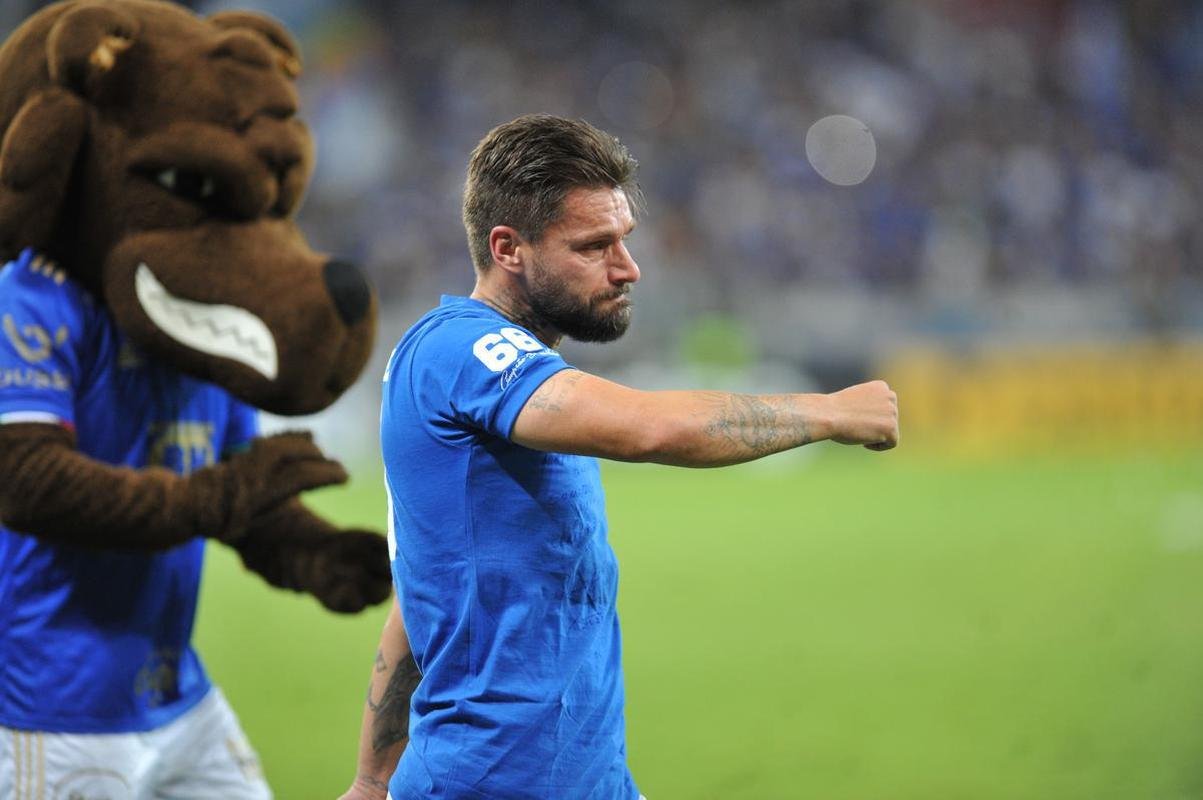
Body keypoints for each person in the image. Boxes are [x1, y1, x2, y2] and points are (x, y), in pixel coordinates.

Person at [343, 114, 899, 800]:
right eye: (593, 246)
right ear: (508, 248)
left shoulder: (523, 384)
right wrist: (829, 411)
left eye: (623, 241)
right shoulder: (458, 350)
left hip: (588, 780)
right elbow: (650, 430)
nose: (627, 268)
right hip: (489, 784)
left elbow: (420, 590)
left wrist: (372, 777)